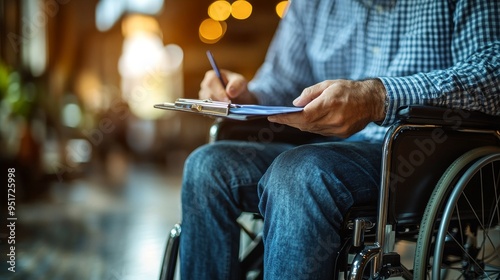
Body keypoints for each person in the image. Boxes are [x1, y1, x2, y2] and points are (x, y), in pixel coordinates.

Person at [179, 0, 500, 279]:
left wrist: (378, 97)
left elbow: (491, 72)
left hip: (420, 152)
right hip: (326, 152)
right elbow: (280, 82)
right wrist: (242, 94)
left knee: (299, 173)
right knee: (207, 167)